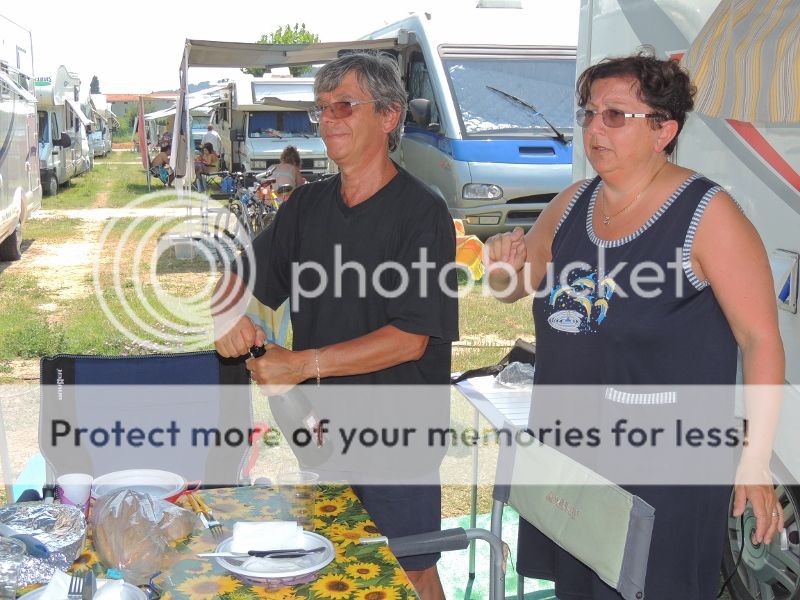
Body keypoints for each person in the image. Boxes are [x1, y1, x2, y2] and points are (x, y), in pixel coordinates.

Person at [485, 49, 784, 599]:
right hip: (570, 452)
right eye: (589, 113)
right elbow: (517, 287)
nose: (594, 128)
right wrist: (503, 268)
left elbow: (760, 338)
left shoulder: (708, 215)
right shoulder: (573, 203)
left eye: (615, 115)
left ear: (664, 130)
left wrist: (756, 460)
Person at [211, 53, 457, 599]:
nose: (327, 119)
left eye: (344, 105)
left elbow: (411, 338)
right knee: (336, 562)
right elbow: (240, 276)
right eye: (321, 108)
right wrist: (226, 312)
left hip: (399, 433)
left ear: (389, 116)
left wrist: (299, 365)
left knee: (409, 568)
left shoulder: (423, 212)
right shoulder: (306, 205)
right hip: (320, 430)